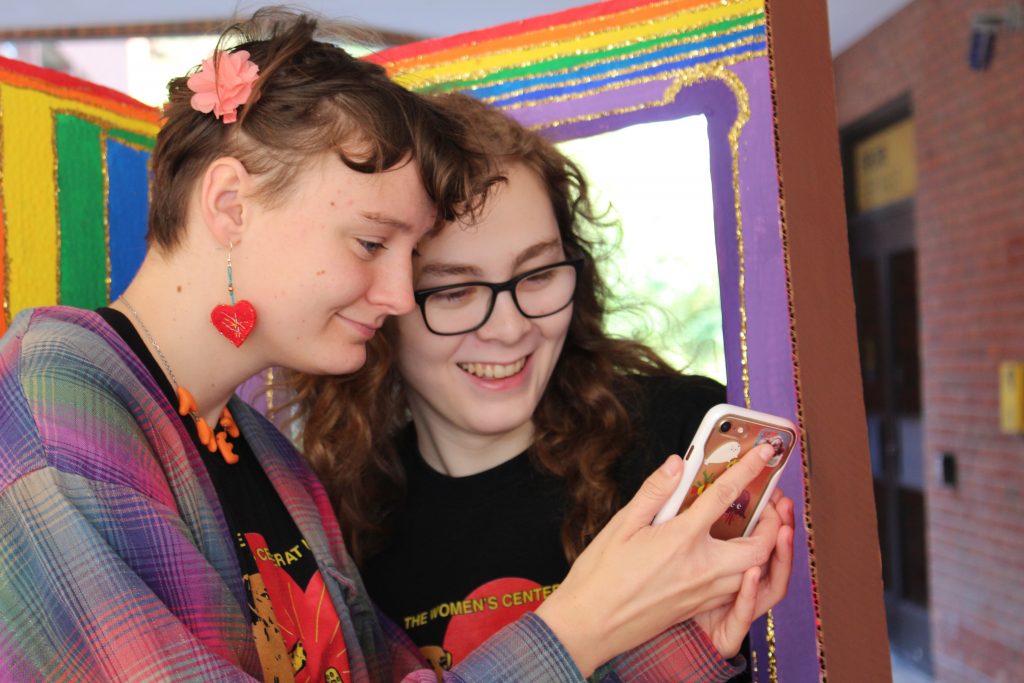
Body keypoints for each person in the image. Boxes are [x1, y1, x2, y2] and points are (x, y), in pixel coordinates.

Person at [1, 11, 787, 683]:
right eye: (372, 241)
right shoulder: (53, 395)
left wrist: (683, 636)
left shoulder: (269, 461)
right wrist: (577, 625)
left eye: (411, 262)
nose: (400, 297)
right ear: (231, 205)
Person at [290, 93, 795, 679]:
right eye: (454, 291)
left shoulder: (680, 441)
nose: (510, 329)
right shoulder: (339, 526)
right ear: (381, 306)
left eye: (537, 273)